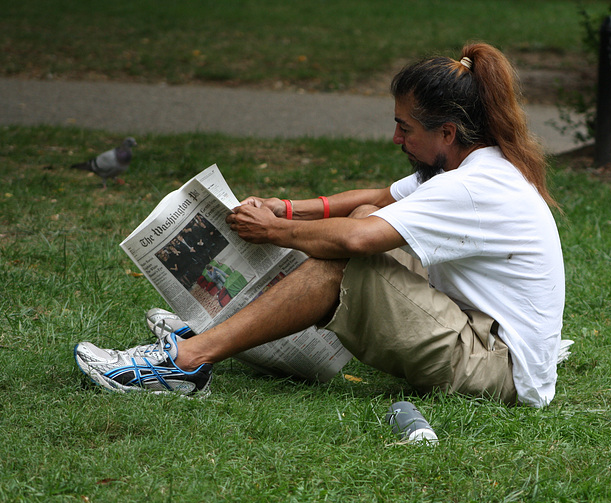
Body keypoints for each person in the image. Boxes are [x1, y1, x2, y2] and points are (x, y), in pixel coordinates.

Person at [74, 42, 565, 407]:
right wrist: (286, 207)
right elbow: (375, 200)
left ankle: (184, 362)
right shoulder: (474, 165)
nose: (395, 138)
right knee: (367, 219)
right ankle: (256, 334)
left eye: (406, 128)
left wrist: (271, 231)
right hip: (481, 336)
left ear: (448, 132)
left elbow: (355, 240)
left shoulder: (473, 188)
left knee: (347, 263)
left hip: (500, 367)